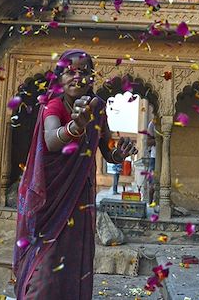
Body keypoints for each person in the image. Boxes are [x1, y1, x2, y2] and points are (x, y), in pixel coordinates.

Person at [13, 49, 137, 299]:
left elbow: (105, 148)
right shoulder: (54, 105)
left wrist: (119, 155)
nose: (77, 77)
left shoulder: (97, 108)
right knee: (44, 269)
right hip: (51, 197)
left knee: (72, 260)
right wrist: (75, 126)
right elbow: (51, 140)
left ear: (92, 78)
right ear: (59, 77)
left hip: (79, 197)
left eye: (84, 72)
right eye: (70, 71)